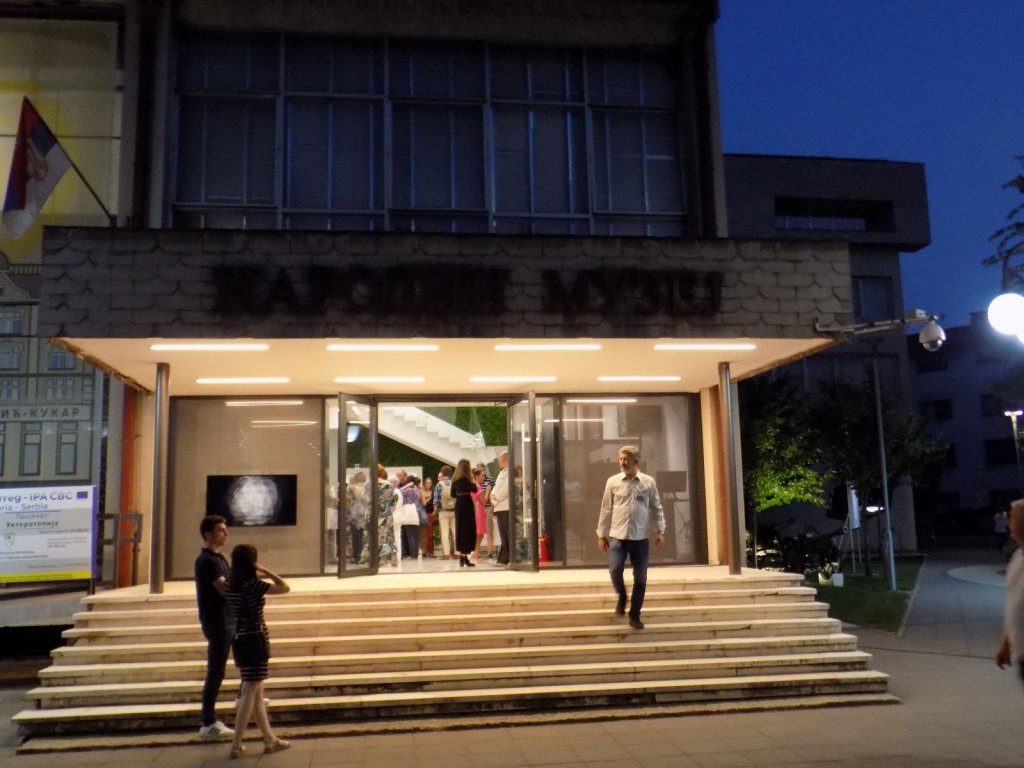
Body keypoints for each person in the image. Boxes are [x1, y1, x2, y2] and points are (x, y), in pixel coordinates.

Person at [224, 544, 290, 758]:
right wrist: (264, 570)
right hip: (256, 639)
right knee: (250, 690)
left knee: (256, 691)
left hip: (241, 637)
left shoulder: (229, 584)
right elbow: (284, 587)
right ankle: (236, 744)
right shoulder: (252, 585)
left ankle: (269, 739)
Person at [595, 445, 665, 630]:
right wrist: (601, 534)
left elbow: (656, 507)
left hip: (640, 538)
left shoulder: (648, 482)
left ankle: (635, 615)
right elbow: (605, 509)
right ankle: (622, 596)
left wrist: (660, 531)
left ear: (636, 461)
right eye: (620, 459)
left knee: (640, 579)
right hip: (618, 536)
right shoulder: (612, 482)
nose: (622, 463)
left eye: (625, 459)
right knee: (614, 570)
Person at [195, 514, 235, 741]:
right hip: (217, 621)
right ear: (208, 534)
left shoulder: (219, 558)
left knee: (245, 660)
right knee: (216, 671)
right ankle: (208, 722)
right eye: (221, 530)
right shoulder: (206, 561)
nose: (226, 533)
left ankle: (248, 697)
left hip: (228, 618)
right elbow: (224, 589)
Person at [996, 500, 1024, 683]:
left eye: (1013, 517)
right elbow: (1014, 602)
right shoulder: (1018, 557)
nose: (1008, 523)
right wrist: (1006, 644)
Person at [451, 458, 479, 568]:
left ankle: (463, 558)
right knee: (468, 530)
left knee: (461, 530)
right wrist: (473, 479)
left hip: (459, 504)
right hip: (467, 504)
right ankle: (464, 557)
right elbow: (474, 489)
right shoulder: (465, 478)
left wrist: (460, 493)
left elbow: (452, 494)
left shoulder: (455, 478)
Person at [490, 452, 510, 565]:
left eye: (500, 459)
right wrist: (492, 497)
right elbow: (496, 487)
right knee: (503, 533)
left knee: (507, 533)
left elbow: (506, 489)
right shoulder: (502, 472)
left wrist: (496, 498)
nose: (499, 462)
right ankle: (504, 557)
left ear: (505, 459)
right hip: (499, 507)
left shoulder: (510, 472)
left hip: (505, 506)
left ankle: (508, 557)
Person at [436, 465, 457, 560]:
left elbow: (436, 500)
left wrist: (438, 509)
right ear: (451, 473)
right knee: (455, 532)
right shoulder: (454, 483)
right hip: (454, 511)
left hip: (443, 512)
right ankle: (457, 552)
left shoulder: (439, 485)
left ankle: (446, 553)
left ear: (442, 473)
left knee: (444, 533)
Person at [471, 468, 487, 562]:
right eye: (482, 475)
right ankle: (476, 553)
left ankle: (476, 552)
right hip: (479, 510)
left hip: (473, 509)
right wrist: (487, 492)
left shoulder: (471, 486)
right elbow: (484, 501)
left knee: (478, 533)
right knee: (479, 533)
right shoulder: (478, 487)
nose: (483, 477)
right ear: (476, 476)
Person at [420, 476, 435, 557]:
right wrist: (428, 498)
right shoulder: (422, 492)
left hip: (431, 513)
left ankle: (431, 551)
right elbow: (424, 503)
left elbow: (435, 503)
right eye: (427, 483)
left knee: (431, 533)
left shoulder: (433, 492)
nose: (429, 484)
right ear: (424, 484)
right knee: (425, 533)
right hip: (424, 514)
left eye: (430, 483)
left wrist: (434, 512)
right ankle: (425, 550)